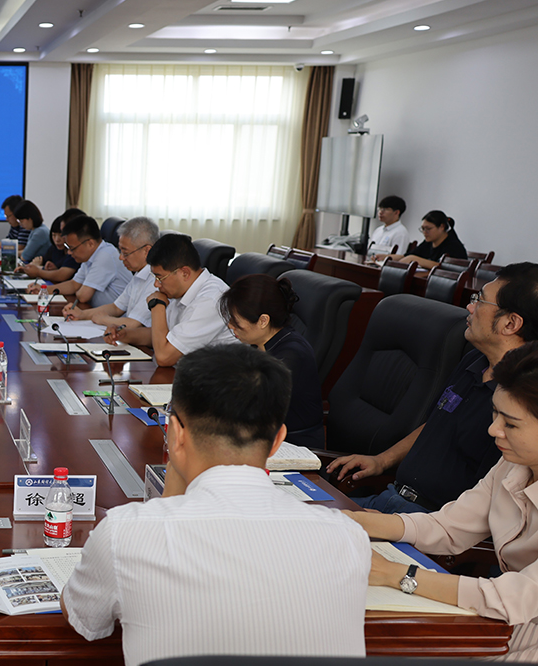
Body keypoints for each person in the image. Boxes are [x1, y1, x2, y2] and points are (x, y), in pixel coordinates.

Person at [61, 344, 370, 665]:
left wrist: (171, 495)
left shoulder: (124, 533)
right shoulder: (348, 537)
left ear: (175, 433)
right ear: (278, 440)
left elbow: (81, 617)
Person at [346, 341, 538, 661]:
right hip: (503, 621)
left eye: (511, 423)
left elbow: (514, 597)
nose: (494, 430)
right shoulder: (513, 464)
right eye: (494, 413)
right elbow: (449, 526)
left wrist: (396, 574)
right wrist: (357, 521)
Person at [328, 262, 538, 513]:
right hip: (391, 497)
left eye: (479, 301)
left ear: (510, 323)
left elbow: (485, 512)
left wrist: (394, 525)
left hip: (434, 521)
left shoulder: (521, 401)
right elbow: (438, 419)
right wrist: (382, 460)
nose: (470, 307)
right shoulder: (474, 360)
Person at [219, 274, 325, 448]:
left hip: (294, 448)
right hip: (265, 438)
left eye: (236, 321)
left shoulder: (291, 356)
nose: (231, 325)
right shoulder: (260, 343)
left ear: (263, 321)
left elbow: (249, 408)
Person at [110, 233, 237, 366]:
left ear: (185, 273)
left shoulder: (210, 300)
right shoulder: (182, 290)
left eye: (160, 278)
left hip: (215, 376)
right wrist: (124, 335)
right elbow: (164, 336)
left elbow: (164, 357)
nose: (156, 284)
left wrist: (157, 305)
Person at [64, 216, 159, 347]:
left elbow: (134, 324)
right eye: (120, 251)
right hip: (130, 341)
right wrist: (82, 314)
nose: (121, 257)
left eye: (125, 253)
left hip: (146, 348)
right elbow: (116, 307)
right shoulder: (139, 274)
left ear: (147, 250)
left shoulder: (156, 280)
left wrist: (104, 319)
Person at [26, 215, 129, 311]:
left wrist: (79, 289)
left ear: (90, 244)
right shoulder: (90, 256)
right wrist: (44, 290)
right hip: (97, 312)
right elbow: (74, 284)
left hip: (117, 319)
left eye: (72, 248)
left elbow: (83, 296)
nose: (69, 253)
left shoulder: (105, 256)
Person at [18, 209, 84, 284]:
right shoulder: (56, 248)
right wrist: (28, 269)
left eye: (61, 234)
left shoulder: (77, 252)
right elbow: (42, 261)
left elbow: (62, 275)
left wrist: (38, 271)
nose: (57, 239)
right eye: (54, 235)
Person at [387, 209, 467, 269]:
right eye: (423, 229)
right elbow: (407, 256)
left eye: (428, 229)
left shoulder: (454, 246)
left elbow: (445, 268)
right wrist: (386, 258)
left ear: (442, 227)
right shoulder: (428, 242)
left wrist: (415, 259)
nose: (424, 232)